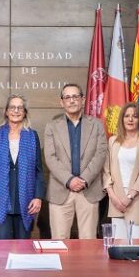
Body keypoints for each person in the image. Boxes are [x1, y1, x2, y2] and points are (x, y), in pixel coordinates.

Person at [44, 83, 108, 239]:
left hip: (89, 190)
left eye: (75, 96)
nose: (71, 100)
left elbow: (100, 154)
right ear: (62, 102)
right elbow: (50, 157)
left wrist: (84, 179)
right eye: (67, 97)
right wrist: (70, 180)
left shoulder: (97, 125)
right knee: (59, 241)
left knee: (89, 242)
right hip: (60, 190)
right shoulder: (52, 126)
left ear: (83, 99)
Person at [0, 95, 45, 239]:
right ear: (6, 111)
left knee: (23, 249)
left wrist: (38, 197)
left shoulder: (32, 136)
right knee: (1, 249)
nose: (16, 111)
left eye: (20, 108)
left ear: (24, 112)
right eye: (12, 107)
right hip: (1, 201)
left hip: (26, 201)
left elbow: (39, 171)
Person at [102, 102, 139, 239]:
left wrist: (130, 196)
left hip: (138, 200)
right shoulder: (113, 141)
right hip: (116, 201)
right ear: (122, 119)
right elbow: (106, 171)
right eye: (127, 116)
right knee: (119, 249)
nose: (130, 119)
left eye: (135, 116)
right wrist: (113, 197)